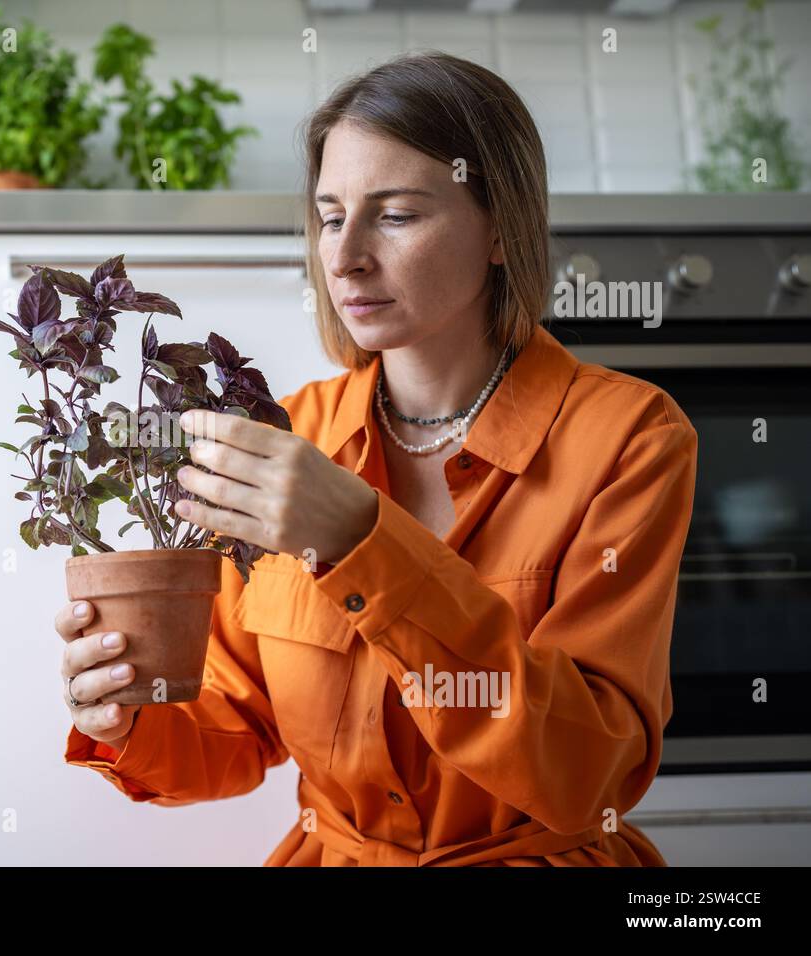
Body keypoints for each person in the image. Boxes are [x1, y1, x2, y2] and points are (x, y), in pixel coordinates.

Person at [55, 51, 698, 866]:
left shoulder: (630, 439)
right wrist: (129, 715)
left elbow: (583, 771)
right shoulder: (292, 431)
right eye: (330, 216)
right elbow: (234, 730)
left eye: (394, 216)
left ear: (501, 229)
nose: (345, 255)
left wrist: (365, 543)